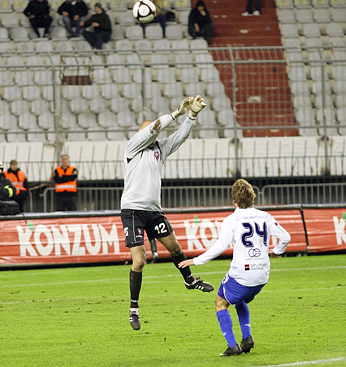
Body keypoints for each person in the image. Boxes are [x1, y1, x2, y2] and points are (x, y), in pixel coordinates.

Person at [121, 95, 214, 331]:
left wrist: (192, 115)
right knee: (139, 260)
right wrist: (176, 113)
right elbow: (155, 127)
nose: (153, 134)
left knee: (175, 248)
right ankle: (134, 309)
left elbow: (179, 137)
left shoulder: (159, 150)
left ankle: (190, 281)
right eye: (149, 131)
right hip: (132, 210)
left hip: (154, 211)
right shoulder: (133, 147)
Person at [178, 179, 291, 356]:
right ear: (253, 197)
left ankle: (233, 346)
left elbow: (220, 247)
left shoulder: (232, 219)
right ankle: (247, 338)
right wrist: (276, 251)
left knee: (220, 302)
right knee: (238, 300)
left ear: (234, 201)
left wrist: (196, 261)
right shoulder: (265, 216)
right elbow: (285, 237)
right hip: (262, 275)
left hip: (242, 275)